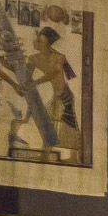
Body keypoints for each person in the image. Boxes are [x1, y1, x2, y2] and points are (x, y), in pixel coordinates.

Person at [26, 26, 79, 156]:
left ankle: (73, 156)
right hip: (55, 95)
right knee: (51, 123)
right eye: (36, 39)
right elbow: (26, 76)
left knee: (66, 125)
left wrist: (35, 82)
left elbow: (53, 73)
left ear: (46, 43)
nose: (34, 42)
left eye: (39, 40)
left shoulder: (59, 57)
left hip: (64, 95)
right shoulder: (33, 58)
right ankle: (46, 153)